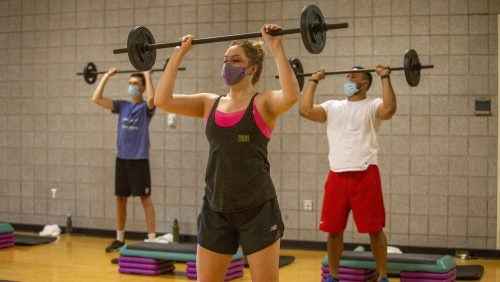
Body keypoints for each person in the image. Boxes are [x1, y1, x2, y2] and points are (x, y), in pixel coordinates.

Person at [154, 24, 300, 282]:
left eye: (235, 60)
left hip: (257, 208)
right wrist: (178, 55)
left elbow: (290, 95)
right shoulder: (209, 103)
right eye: (225, 60)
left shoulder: (263, 103)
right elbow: (162, 100)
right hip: (215, 207)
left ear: (252, 68)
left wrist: (276, 47)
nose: (227, 65)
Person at [299, 65, 396, 282]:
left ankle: (382, 277)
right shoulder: (333, 106)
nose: (349, 78)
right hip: (337, 175)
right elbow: (305, 110)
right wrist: (313, 81)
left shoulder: (373, 105)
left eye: (355, 76)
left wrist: (385, 77)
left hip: (365, 173)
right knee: (333, 231)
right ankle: (333, 277)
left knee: (375, 230)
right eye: (348, 75)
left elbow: (389, 110)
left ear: (365, 84)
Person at [91, 69, 157, 252]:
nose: (132, 86)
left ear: (143, 88)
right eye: (130, 83)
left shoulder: (145, 109)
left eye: (136, 84)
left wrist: (148, 75)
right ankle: (119, 239)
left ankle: (152, 239)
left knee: (145, 199)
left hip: (139, 160)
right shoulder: (122, 106)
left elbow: (153, 99)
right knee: (120, 199)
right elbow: (96, 98)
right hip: (122, 159)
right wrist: (106, 76)